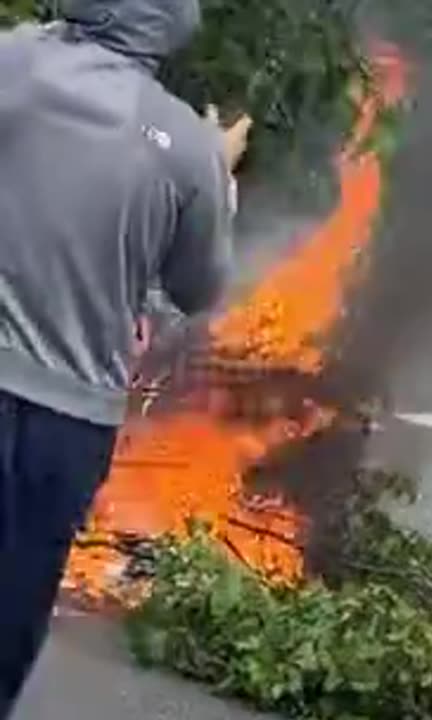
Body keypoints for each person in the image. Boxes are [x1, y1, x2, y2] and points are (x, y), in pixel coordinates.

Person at [0, 1, 251, 715]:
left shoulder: (11, 64)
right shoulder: (183, 142)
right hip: (67, 427)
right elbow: (197, 287)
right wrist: (217, 173)